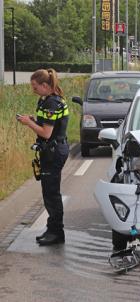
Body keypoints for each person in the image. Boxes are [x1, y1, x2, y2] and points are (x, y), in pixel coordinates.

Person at [17, 69, 69, 246]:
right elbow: (48, 124)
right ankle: (52, 228)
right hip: (51, 150)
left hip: (54, 151)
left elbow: (47, 133)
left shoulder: (52, 103)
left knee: (51, 193)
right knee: (49, 192)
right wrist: (34, 119)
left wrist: (29, 123)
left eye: (35, 87)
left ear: (45, 85)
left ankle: (56, 232)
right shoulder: (46, 100)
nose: (34, 90)